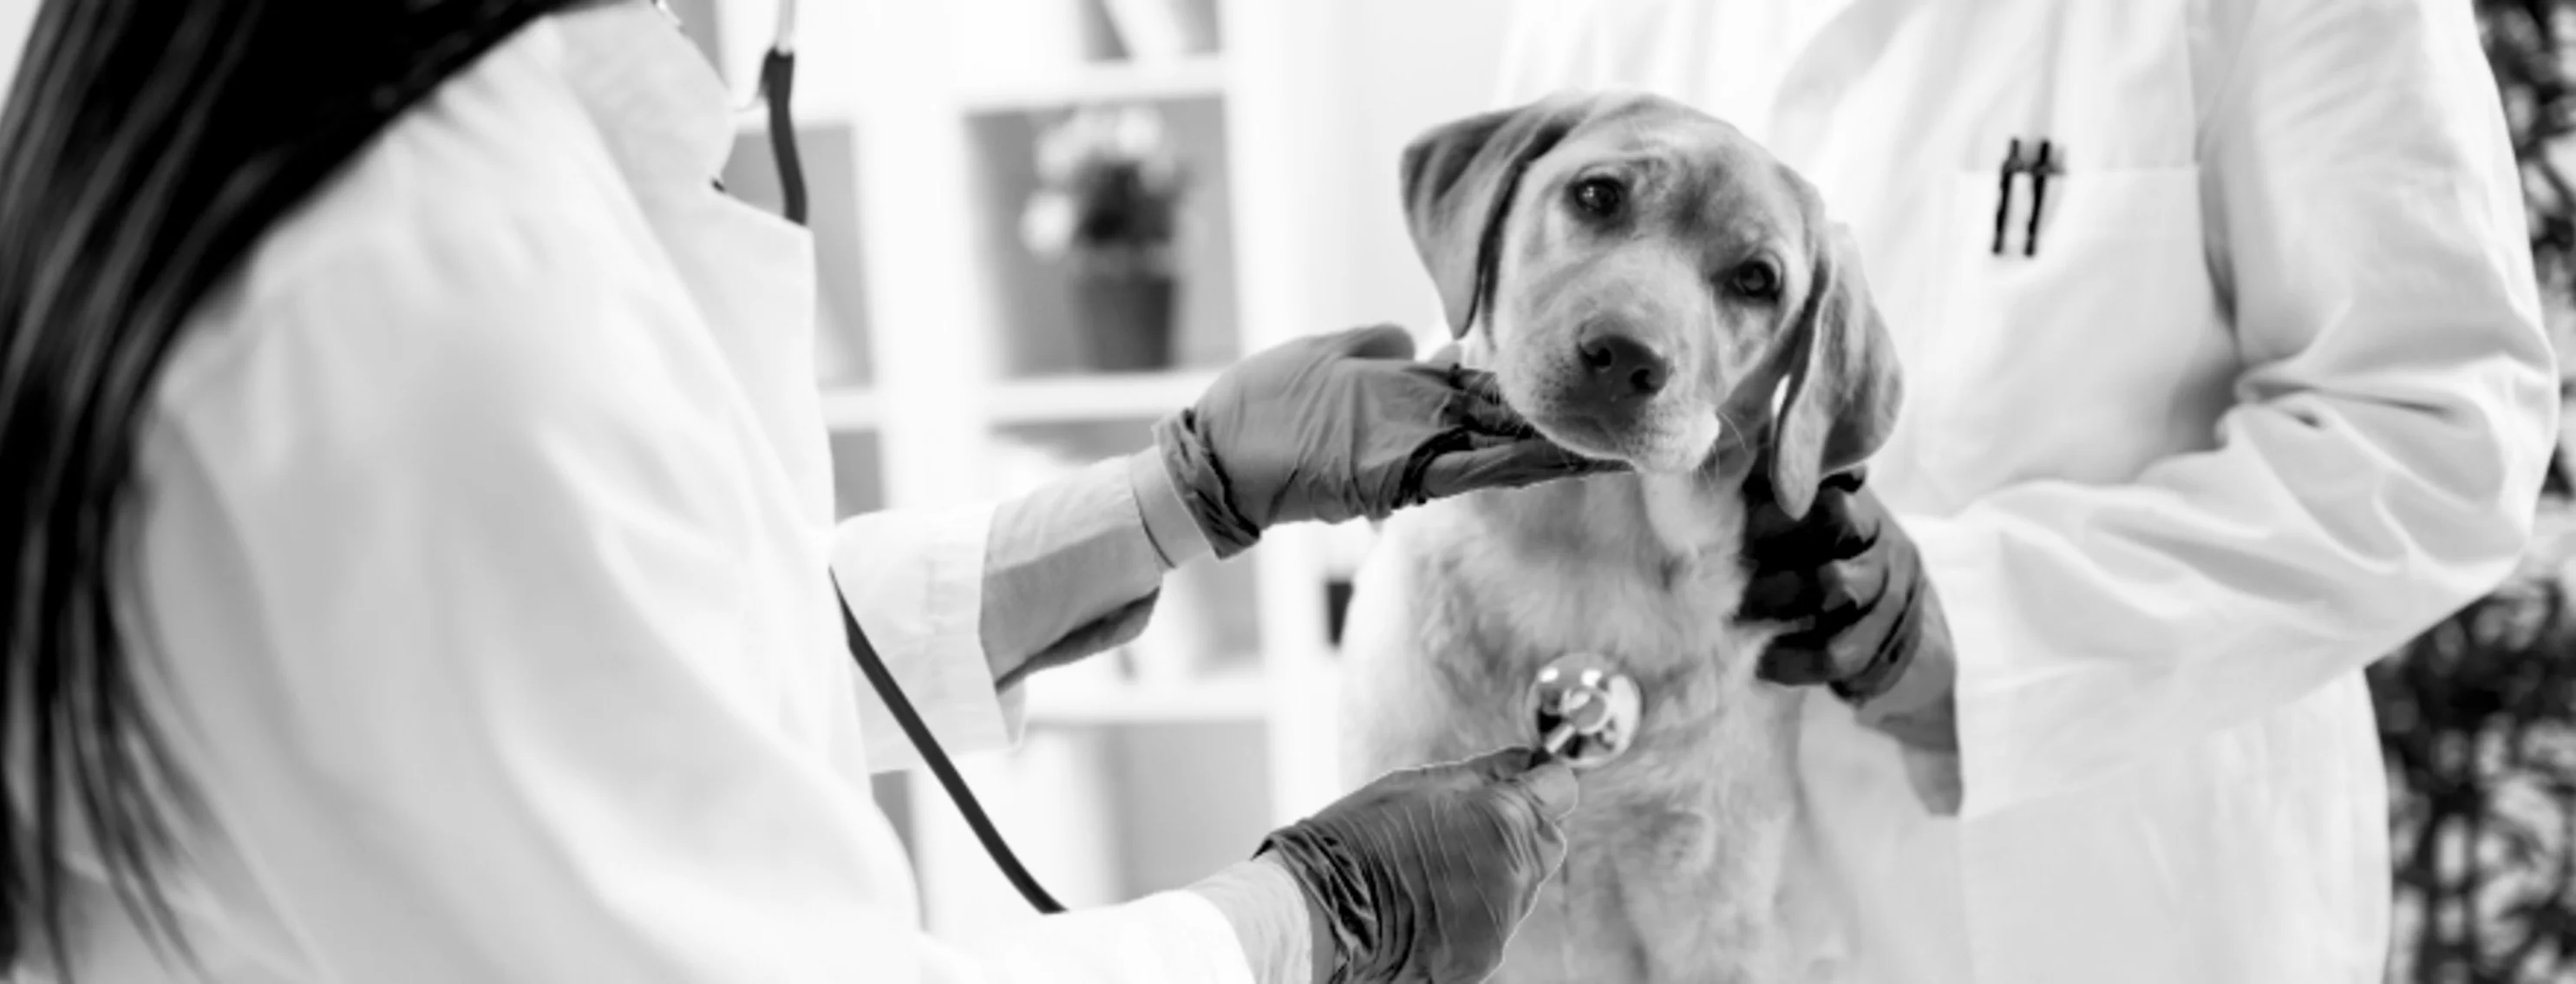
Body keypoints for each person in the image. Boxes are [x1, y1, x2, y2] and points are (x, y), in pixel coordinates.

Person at [0, 3, 1625, 982]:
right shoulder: (430, 281)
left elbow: (629, 657)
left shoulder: (390, 140)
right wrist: (1304, 915)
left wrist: (1166, 501)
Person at [1487, 0, 2563, 981]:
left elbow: (2433, 429)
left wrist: (1981, 630)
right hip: (1685, 910)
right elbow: (1517, 334)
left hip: (2107, 916)